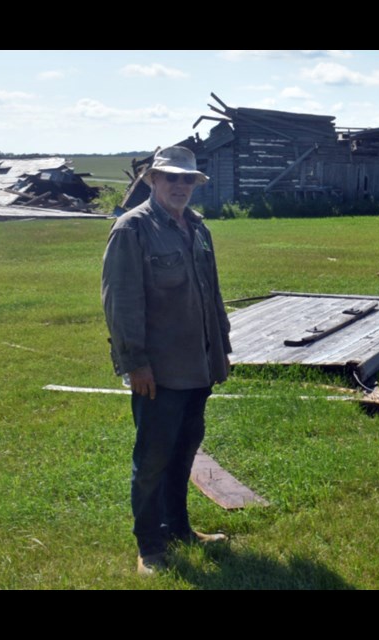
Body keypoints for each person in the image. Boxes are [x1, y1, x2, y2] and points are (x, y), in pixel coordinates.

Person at [101, 146, 232, 575]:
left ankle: (179, 528)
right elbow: (121, 303)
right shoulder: (132, 229)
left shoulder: (197, 229)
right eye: (171, 178)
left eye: (187, 180)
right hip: (157, 372)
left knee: (184, 452)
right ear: (153, 180)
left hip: (198, 366)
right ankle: (150, 548)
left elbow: (211, 296)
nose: (180, 186)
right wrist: (135, 364)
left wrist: (220, 352)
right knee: (153, 458)